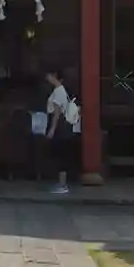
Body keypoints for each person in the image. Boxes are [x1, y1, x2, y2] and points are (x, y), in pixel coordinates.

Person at [43, 67, 81, 195]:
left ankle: (62, 184)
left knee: (60, 154)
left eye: (49, 75)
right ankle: (61, 183)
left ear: (54, 76)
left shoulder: (59, 91)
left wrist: (52, 129)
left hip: (59, 126)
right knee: (61, 154)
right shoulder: (61, 90)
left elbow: (57, 112)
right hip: (61, 125)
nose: (47, 78)